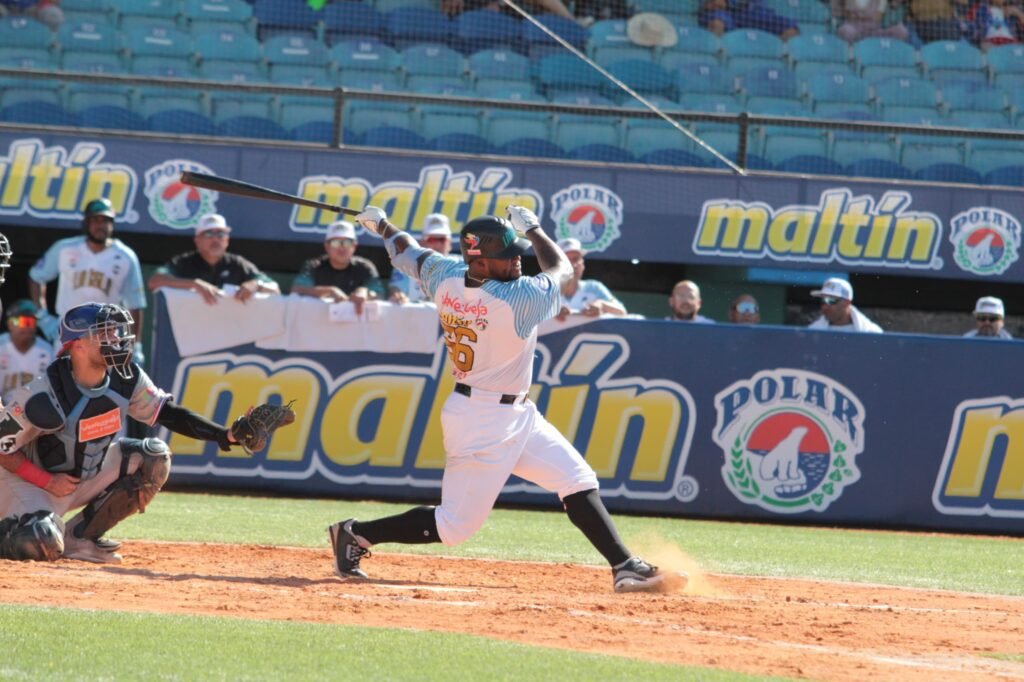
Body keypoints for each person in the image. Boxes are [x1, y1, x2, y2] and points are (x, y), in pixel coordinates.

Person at [327, 204, 683, 594]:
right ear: (479, 263)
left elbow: (405, 249)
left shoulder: (444, 275)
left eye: (517, 253)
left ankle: (624, 565)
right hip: (481, 420)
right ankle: (355, 534)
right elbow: (562, 271)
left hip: (514, 412)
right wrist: (534, 230)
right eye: (506, 256)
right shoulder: (518, 298)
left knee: (576, 478)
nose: (517, 261)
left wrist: (381, 225)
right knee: (454, 527)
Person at [0, 302, 256, 564]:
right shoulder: (42, 395)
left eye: (115, 331)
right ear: (78, 345)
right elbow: (1, 447)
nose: (116, 338)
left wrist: (225, 435)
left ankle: (81, 539)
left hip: (81, 478)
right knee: (40, 541)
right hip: (30, 485)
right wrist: (46, 481)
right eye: (104, 333)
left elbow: (168, 413)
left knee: (153, 457)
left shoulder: (127, 377)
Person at [29, 197, 146, 350]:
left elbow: (135, 304)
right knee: (64, 373)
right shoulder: (65, 249)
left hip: (105, 335)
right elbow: (36, 276)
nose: (100, 226)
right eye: (95, 220)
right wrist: (42, 317)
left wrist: (134, 345)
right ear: (86, 223)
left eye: (105, 221)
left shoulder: (125, 256)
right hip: (69, 332)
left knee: (102, 374)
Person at [147, 213, 280, 305]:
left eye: (221, 234)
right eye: (209, 234)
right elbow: (154, 282)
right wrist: (195, 284)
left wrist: (256, 285)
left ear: (227, 240)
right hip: (189, 332)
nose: (215, 239)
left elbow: (275, 289)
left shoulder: (238, 264)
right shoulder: (183, 262)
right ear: (197, 240)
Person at [291, 220, 380, 316]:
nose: (342, 248)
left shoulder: (365, 267)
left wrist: (365, 292)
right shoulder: (314, 265)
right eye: (336, 242)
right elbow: (297, 290)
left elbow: (380, 294)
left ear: (354, 246)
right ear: (327, 246)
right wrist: (330, 291)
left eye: (347, 242)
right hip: (319, 323)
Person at [554, 238, 627, 321]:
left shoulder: (594, 287)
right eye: (566, 260)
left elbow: (622, 312)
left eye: (576, 259)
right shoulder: (545, 290)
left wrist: (602, 305)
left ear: (582, 265)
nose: (573, 265)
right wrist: (551, 311)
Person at [388, 213, 454, 305]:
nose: (437, 244)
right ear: (422, 242)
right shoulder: (405, 264)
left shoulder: (463, 265)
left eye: (442, 239)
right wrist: (397, 295)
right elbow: (396, 288)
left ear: (450, 243)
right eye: (432, 240)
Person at [0, 300, 53, 403]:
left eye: (32, 322)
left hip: (35, 413)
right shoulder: (1, 346)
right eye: (24, 321)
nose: (28, 327)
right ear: (10, 324)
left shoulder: (46, 351)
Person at [808, 278, 882, 333]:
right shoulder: (811, 333)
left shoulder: (872, 333)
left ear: (847, 303)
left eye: (831, 300)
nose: (825, 306)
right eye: (823, 300)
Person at [698, 0, 800, 39]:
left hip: (751, 13)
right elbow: (711, 4)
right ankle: (717, 60)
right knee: (717, 24)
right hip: (722, 13)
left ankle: (776, 61)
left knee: (790, 28)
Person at [831, 0, 910, 42]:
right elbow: (848, 15)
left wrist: (858, 14)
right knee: (846, 31)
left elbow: (877, 17)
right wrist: (867, 15)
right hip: (853, 28)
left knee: (901, 31)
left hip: (874, 32)